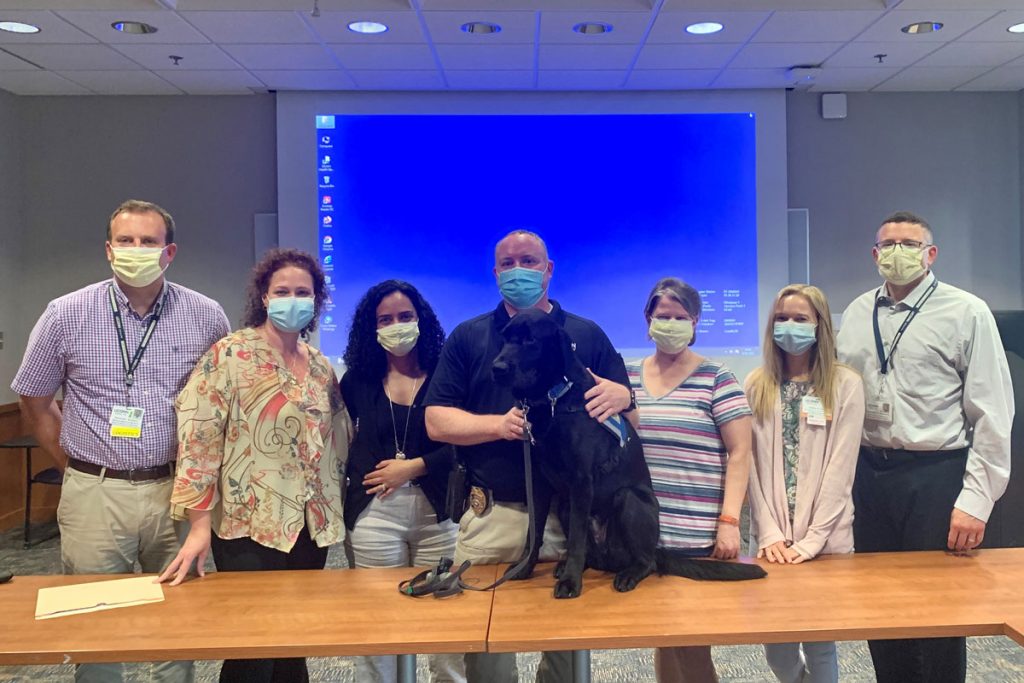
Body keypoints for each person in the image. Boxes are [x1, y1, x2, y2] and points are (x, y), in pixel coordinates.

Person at [12, 199, 229, 683]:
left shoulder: (206, 315)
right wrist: (69, 464)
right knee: (93, 620)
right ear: (108, 251)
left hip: (177, 492)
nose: (136, 250)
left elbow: (219, 406)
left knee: (179, 614)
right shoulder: (65, 313)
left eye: (148, 242)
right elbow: (34, 397)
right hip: (95, 491)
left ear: (168, 252)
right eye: (126, 241)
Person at [423, 230, 634, 683]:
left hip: (566, 520)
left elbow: (626, 414)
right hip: (491, 519)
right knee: (486, 655)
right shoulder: (469, 337)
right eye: (509, 263)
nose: (519, 271)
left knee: (565, 650)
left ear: (549, 269)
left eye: (530, 261)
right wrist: (496, 426)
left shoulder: (586, 334)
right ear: (495, 272)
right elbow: (436, 421)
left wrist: (623, 394)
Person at [836, 211, 1014, 683]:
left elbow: (993, 414)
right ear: (875, 255)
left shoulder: (966, 312)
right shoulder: (856, 312)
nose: (898, 252)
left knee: (938, 608)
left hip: (935, 474)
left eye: (909, 244)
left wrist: (977, 501)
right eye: (888, 244)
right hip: (869, 473)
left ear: (930, 254)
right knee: (879, 605)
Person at [158, 248, 350, 683]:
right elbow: (198, 439)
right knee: (253, 649)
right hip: (248, 525)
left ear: (317, 300)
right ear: (264, 297)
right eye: (282, 291)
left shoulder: (320, 367)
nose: (292, 299)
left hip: (309, 527)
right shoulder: (229, 355)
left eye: (303, 292)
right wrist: (199, 524)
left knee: (295, 642)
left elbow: (337, 439)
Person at [625, 277, 752, 683]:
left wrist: (729, 523)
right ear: (648, 320)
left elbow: (741, 453)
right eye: (664, 316)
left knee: (693, 642)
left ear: (695, 322)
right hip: (645, 535)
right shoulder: (625, 377)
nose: (671, 323)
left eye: (681, 317)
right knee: (664, 635)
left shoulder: (718, 377)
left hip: (698, 536)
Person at [340, 279, 464, 683]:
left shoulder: (448, 374)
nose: (397, 325)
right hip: (376, 514)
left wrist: (415, 467)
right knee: (379, 625)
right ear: (371, 328)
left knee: (446, 623)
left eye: (405, 317)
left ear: (421, 320)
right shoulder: (356, 380)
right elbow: (345, 442)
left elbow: (464, 444)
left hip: (439, 514)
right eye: (386, 319)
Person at [745, 284, 865, 683]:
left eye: (800, 319)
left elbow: (841, 469)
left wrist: (813, 539)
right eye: (782, 318)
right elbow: (751, 470)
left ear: (820, 326)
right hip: (772, 542)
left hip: (825, 538)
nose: (789, 326)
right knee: (777, 648)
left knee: (820, 642)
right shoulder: (756, 384)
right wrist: (770, 532)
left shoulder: (845, 385)